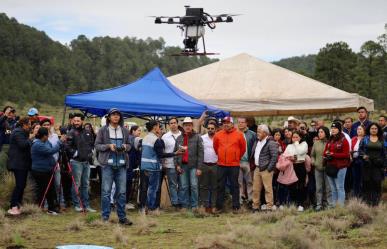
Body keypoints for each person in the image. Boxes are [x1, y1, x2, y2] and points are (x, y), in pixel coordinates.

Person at [95, 108, 133, 225]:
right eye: (113, 115)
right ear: (109, 117)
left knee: (122, 192)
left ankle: (122, 218)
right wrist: (108, 146)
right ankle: (105, 217)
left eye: (118, 115)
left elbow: (130, 146)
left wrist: (125, 147)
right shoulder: (103, 130)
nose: (116, 117)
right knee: (106, 191)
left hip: (121, 165)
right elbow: (97, 145)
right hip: (107, 165)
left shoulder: (125, 131)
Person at [140, 120, 183, 214]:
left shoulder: (145, 138)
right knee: (152, 189)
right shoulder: (157, 140)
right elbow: (161, 155)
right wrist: (175, 153)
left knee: (144, 188)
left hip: (144, 166)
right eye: (159, 127)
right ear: (155, 127)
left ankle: (142, 208)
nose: (160, 129)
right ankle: (151, 208)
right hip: (153, 167)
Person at [213, 116, 246, 213]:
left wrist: (236, 157)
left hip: (234, 165)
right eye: (224, 122)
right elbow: (216, 148)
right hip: (221, 164)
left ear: (232, 124)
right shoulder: (218, 135)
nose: (225, 124)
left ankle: (236, 207)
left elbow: (243, 149)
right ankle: (219, 207)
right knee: (220, 186)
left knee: (234, 186)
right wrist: (221, 155)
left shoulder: (239, 135)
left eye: (228, 122)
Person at [65, 113, 96, 212]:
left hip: (86, 162)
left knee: (86, 184)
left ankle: (86, 205)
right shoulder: (71, 132)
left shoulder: (88, 132)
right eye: (75, 120)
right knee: (76, 184)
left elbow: (91, 143)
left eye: (78, 121)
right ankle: (77, 204)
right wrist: (75, 153)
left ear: (82, 121)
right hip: (76, 162)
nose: (76, 122)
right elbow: (67, 146)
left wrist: (90, 152)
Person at [31, 127, 65, 215]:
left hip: (48, 170)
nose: (48, 137)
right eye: (47, 135)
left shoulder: (45, 141)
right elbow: (51, 151)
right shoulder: (37, 144)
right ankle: (41, 207)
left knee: (51, 189)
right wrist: (60, 142)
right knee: (44, 190)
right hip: (40, 171)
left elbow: (51, 147)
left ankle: (52, 208)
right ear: (44, 136)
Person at [175, 117, 204, 210]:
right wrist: (177, 165)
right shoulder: (179, 138)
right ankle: (185, 205)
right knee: (183, 186)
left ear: (192, 126)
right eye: (186, 125)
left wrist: (199, 168)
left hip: (193, 166)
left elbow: (201, 153)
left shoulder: (197, 137)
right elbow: (175, 153)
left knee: (194, 186)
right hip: (182, 165)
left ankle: (194, 205)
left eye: (189, 125)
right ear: (183, 126)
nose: (188, 127)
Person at [6, 117, 32, 215]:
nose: (30, 126)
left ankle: (18, 204)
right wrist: (30, 138)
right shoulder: (17, 132)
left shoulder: (21, 132)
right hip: (18, 164)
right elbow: (23, 145)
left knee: (22, 185)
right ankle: (13, 206)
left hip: (23, 164)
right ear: (24, 124)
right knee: (19, 185)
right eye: (29, 124)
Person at [250, 124, 278, 212]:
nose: (257, 133)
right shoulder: (257, 141)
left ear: (265, 133)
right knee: (255, 189)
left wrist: (269, 169)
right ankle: (255, 206)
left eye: (259, 131)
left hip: (266, 169)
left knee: (268, 189)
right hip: (257, 168)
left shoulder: (271, 142)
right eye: (257, 131)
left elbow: (274, 157)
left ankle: (269, 207)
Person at [323, 122, 350, 207]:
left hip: (341, 167)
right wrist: (326, 155)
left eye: (335, 128)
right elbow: (325, 152)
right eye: (332, 128)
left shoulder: (344, 140)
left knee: (340, 187)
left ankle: (340, 206)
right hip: (330, 166)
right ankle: (334, 206)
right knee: (333, 188)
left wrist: (333, 154)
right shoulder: (330, 140)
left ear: (339, 130)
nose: (333, 130)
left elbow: (346, 154)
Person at [359, 123, 386, 206]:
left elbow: (385, 153)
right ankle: (367, 202)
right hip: (367, 165)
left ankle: (376, 203)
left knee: (377, 183)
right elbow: (360, 150)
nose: (374, 130)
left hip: (378, 165)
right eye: (372, 128)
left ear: (378, 130)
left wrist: (385, 165)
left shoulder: (382, 140)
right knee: (367, 183)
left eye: (375, 128)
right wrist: (363, 156)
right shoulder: (364, 139)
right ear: (369, 130)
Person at [283, 131, 308, 212]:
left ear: (300, 137)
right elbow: (285, 155)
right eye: (293, 137)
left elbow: (301, 151)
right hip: (292, 166)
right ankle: (294, 202)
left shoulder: (304, 144)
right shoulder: (289, 146)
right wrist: (291, 157)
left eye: (297, 137)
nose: (295, 139)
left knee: (301, 185)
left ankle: (301, 204)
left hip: (300, 166)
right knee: (292, 185)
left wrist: (296, 143)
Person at [161, 118, 182, 208]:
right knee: (172, 184)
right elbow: (162, 151)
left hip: (182, 163)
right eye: (171, 123)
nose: (173, 124)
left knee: (182, 184)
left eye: (174, 123)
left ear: (177, 124)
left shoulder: (183, 135)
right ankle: (175, 203)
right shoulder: (165, 137)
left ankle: (182, 201)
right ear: (169, 125)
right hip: (170, 164)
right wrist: (163, 164)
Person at [40, 119, 61, 205]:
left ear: (50, 126)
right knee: (46, 185)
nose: (46, 126)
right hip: (45, 164)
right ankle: (46, 204)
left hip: (56, 163)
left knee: (58, 184)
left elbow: (58, 149)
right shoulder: (40, 138)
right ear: (41, 126)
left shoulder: (55, 136)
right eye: (44, 125)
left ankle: (60, 202)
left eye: (48, 124)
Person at [311, 126, 332, 211]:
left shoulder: (330, 142)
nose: (319, 134)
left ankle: (329, 204)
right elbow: (312, 155)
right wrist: (313, 162)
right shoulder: (316, 143)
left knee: (328, 187)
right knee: (318, 187)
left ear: (326, 133)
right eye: (319, 132)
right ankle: (319, 205)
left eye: (321, 132)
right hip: (318, 168)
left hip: (328, 168)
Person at [199, 122, 218, 213]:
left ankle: (213, 206)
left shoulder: (219, 138)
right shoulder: (202, 138)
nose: (210, 130)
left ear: (216, 129)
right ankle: (205, 206)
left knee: (215, 187)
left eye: (212, 128)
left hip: (215, 165)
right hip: (205, 165)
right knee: (204, 186)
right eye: (209, 128)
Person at [237, 117, 256, 205]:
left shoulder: (252, 134)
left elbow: (255, 148)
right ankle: (240, 201)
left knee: (249, 181)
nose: (240, 124)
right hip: (237, 161)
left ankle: (251, 200)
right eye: (239, 122)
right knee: (239, 182)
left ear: (246, 123)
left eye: (242, 122)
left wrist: (252, 161)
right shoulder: (235, 133)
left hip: (247, 161)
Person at [126, 125, 142, 209]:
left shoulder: (134, 139)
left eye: (140, 131)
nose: (140, 132)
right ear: (133, 131)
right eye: (138, 130)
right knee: (127, 183)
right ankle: (124, 202)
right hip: (128, 165)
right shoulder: (132, 139)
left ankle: (126, 201)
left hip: (131, 165)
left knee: (128, 183)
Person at [0, 106, 17, 172]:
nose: (10, 113)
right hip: (3, 146)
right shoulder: (2, 121)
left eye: (12, 112)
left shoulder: (15, 122)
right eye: (8, 111)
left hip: (13, 147)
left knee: (11, 166)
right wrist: (5, 115)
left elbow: (12, 132)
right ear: (4, 112)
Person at [350, 125, 366, 198]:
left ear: (364, 130)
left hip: (363, 161)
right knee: (355, 178)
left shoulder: (366, 139)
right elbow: (349, 149)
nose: (358, 131)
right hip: (354, 161)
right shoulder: (353, 139)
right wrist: (351, 153)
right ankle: (356, 195)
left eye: (360, 129)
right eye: (358, 129)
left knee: (363, 179)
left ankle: (363, 195)